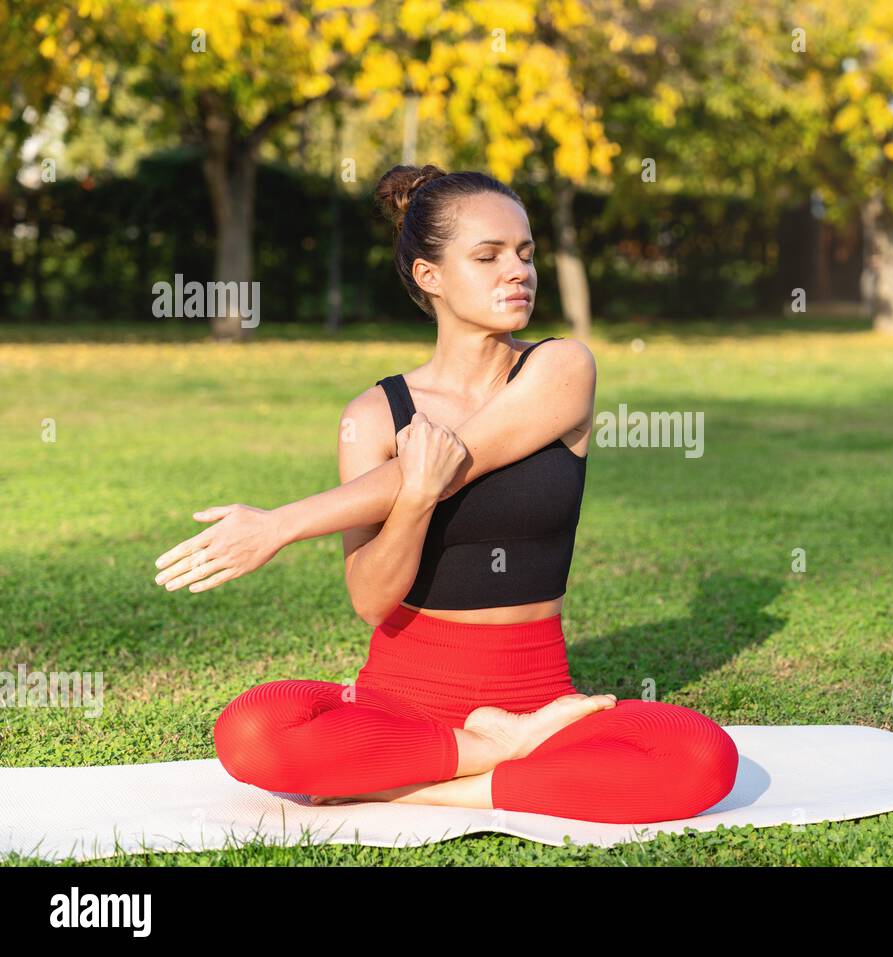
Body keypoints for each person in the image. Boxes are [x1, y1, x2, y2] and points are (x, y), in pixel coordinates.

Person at [152, 164, 739, 824]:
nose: (516, 271)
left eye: (524, 254)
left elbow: (464, 452)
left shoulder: (560, 368)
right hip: (401, 699)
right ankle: (486, 754)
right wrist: (413, 499)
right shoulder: (373, 414)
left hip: (538, 703)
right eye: (487, 256)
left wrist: (279, 525)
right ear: (429, 276)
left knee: (700, 756)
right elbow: (372, 600)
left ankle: (408, 781)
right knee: (254, 730)